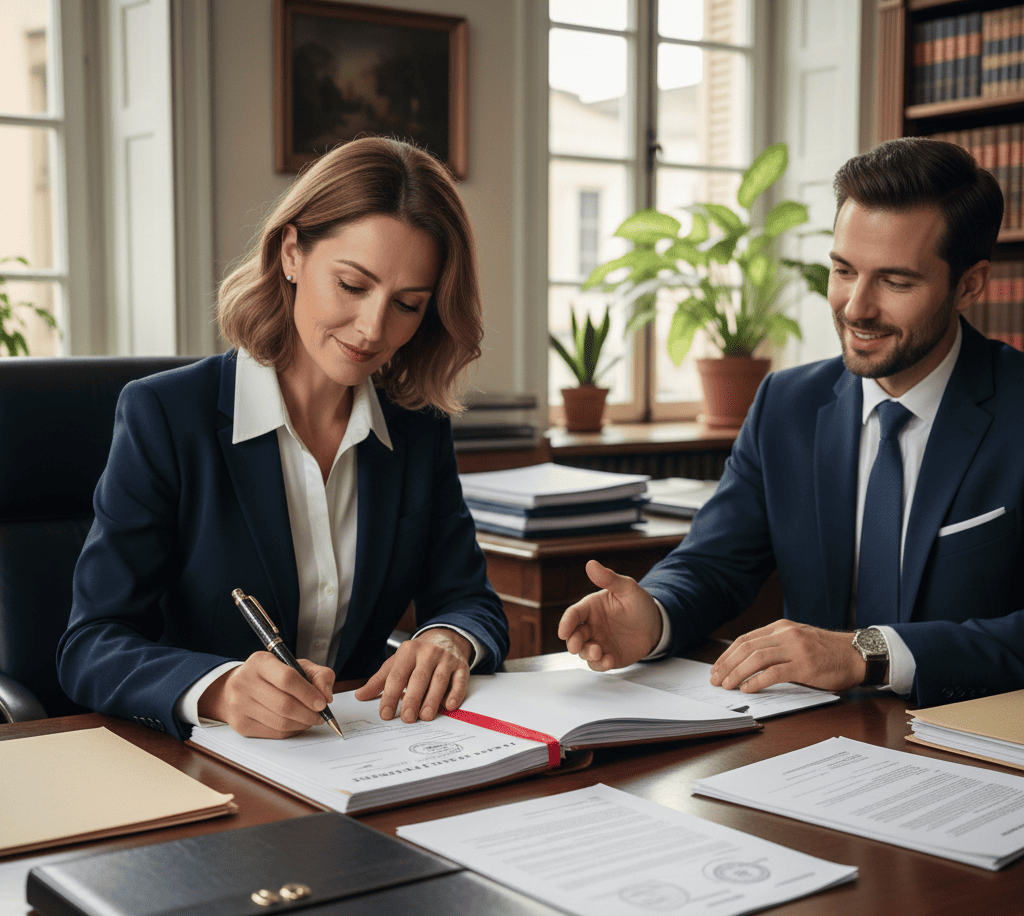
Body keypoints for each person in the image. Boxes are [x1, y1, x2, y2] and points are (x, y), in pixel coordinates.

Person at [58, 137, 509, 740]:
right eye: (352, 285)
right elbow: (90, 645)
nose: (374, 328)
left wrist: (448, 639)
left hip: (359, 755)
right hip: (201, 762)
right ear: (292, 252)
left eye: (407, 304)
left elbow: (471, 603)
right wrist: (217, 689)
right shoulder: (166, 415)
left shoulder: (416, 428)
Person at [559, 137, 1024, 707]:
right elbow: (713, 563)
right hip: (806, 747)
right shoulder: (787, 404)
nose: (856, 306)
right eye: (843, 270)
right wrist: (653, 616)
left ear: (970, 286)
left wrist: (868, 654)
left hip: (970, 747)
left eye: (896, 282)